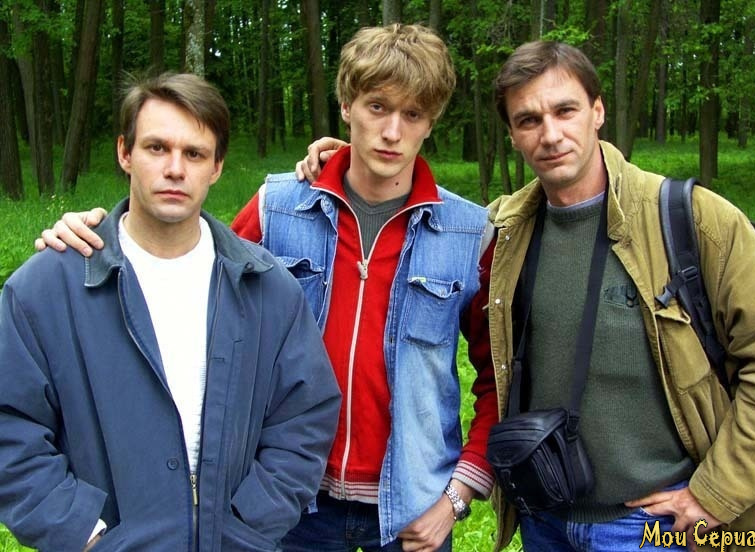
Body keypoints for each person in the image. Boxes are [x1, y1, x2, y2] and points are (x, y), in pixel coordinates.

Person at [33, 25, 498, 552]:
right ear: (346, 105)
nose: (392, 131)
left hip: (413, 513)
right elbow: (183, 268)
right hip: (291, 504)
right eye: (377, 107)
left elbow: (498, 383)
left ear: (431, 122)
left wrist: (455, 498)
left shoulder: (468, 233)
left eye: (412, 114)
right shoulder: (279, 208)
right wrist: (101, 233)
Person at [0, 72, 341, 552]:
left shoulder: (267, 288)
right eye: (157, 148)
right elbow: (11, 430)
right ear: (125, 153)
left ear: (216, 167)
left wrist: (249, 524)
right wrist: (84, 534)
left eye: (194, 154)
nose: (175, 169)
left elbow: (304, 418)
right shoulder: (46, 289)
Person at [482, 41, 755, 551]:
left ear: (598, 111)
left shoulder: (694, 219)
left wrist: (717, 494)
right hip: (545, 522)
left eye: (566, 110)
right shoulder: (504, 233)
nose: (551, 134)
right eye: (529, 120)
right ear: (513, 135)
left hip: (662, 525)